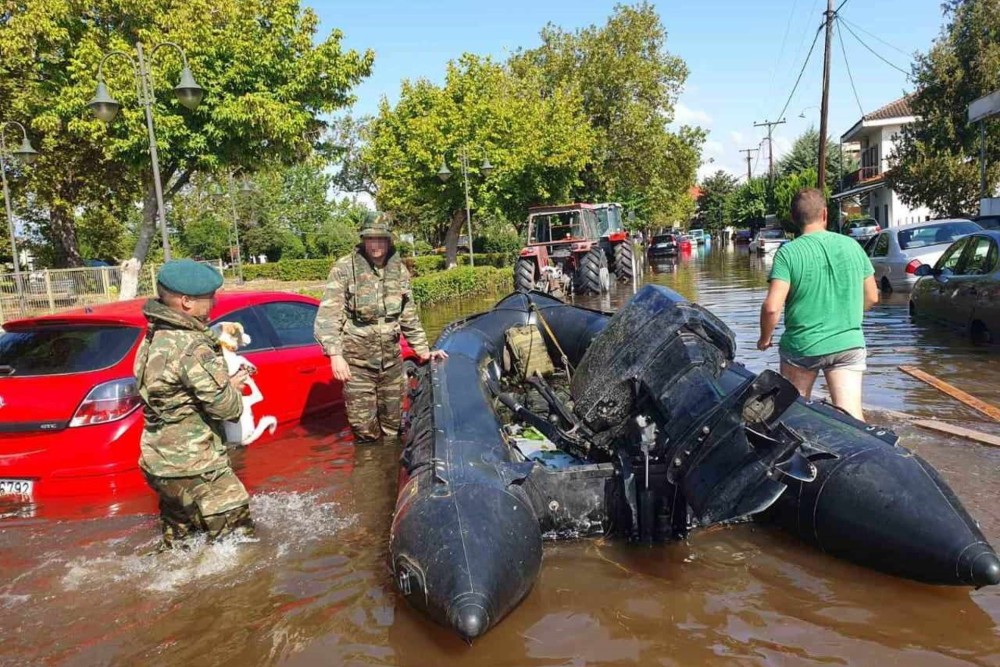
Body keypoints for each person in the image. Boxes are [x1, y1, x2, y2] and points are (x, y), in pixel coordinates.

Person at [134, 259, 254, 549]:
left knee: (180, 548)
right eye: (208, 298)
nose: (213, 304)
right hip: (198, 466)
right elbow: (226, 408)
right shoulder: (191, 345)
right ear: (186, 302)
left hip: (159, 463)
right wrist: (233, 386)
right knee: (239, 547)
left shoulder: (153, 337)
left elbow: (173, 391)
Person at [314, 212, 447, 445]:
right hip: (358, 365)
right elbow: (328, 316)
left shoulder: (400, 270)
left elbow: (409, 315)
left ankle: (391, 475)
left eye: (380, 239)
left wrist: (424, 351)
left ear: (388, 240)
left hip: (392, 365)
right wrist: (335, 355)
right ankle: (368, 475)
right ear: (363, 240)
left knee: (394, 428)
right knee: (364, 430)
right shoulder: (345, 268)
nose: (375, 245)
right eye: (370, 239)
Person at [757, 188, 878, 421]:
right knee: (852, 419)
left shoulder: (788, 254)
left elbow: (772, 307)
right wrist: (846, 315)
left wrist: (765, 338)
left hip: (803, 347)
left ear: (794, 219)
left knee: (795, 416)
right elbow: (872, 296)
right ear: (824, 214)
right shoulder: (853, 246)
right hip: (848, 345)